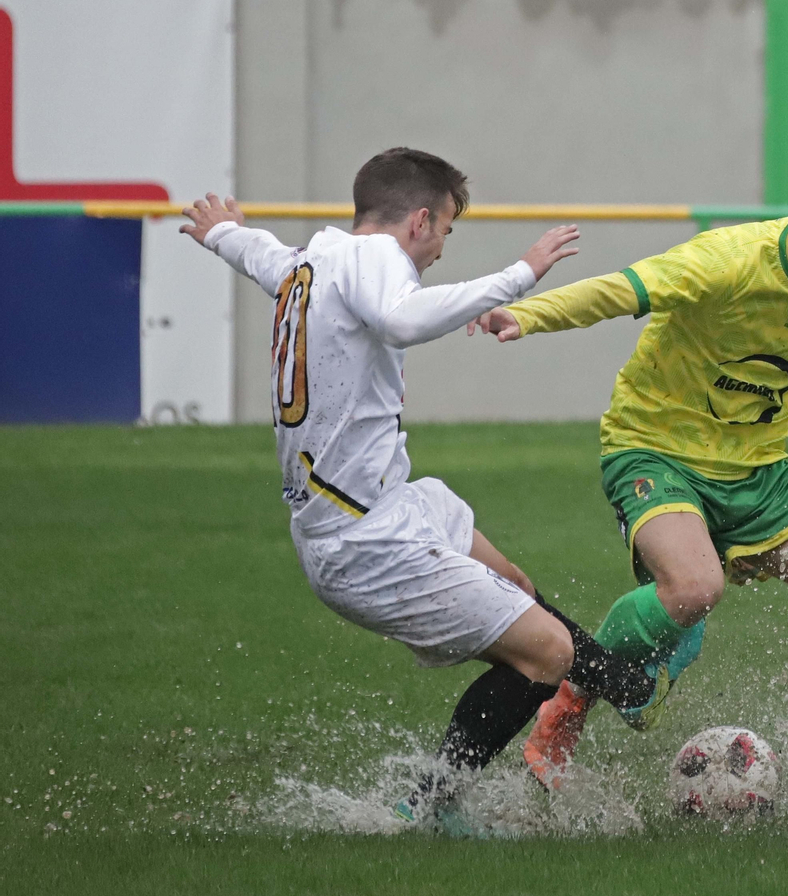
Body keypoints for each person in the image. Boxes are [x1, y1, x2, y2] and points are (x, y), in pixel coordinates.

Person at [177, 148, 668, 834]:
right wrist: (519, 274)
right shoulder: (376, 262)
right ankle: (428, 806)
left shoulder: (311, 262)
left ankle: (626, 685)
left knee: (516, 586)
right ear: (419, 221)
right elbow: (402, 320)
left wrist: (222, 231)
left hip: (387, 505)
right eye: (445, 231)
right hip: (364, 539)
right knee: (545, 652)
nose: (439, 249)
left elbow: (260, 253)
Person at [469, 151, 788, 788]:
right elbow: (619, 290)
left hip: (762, 475)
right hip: (657, 451)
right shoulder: (726, 261)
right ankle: (571, 702)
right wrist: (526, 313)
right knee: (694, 590)